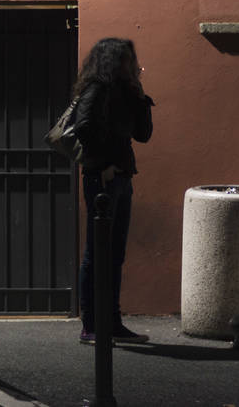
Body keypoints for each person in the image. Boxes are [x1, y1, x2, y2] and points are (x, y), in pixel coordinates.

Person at [73, 37, 154, 345]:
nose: (134, 65)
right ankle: (90, 326)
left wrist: (141, 97)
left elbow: (143, 135)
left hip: (122, 178)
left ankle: (113, 322)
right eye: (129, 60)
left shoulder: (125, 91)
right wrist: (104, 163)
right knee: (96, 253)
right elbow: (83, 127)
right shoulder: (97, 88)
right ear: (115, 61)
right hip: (102, 178)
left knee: (115, 254)